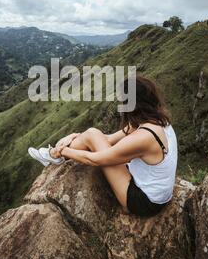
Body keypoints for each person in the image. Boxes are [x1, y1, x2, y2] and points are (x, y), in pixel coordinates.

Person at [28, 75, 178, 217]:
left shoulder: (144, 137)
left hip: (144, 202)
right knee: (92, 134)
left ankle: (54, 155)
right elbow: (108, 139)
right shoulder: (158, 121)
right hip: (158, 194)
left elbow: (95, 160)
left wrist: (64, 150)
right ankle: (54, 155)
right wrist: (76, 136)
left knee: (92, 134)